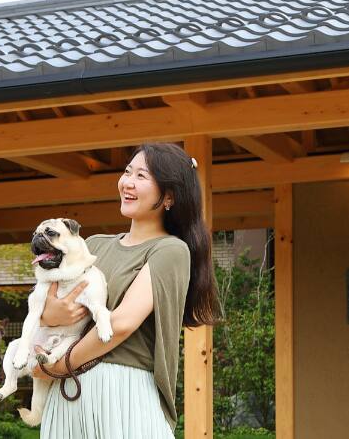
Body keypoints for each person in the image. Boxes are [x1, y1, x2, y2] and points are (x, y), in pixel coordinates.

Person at [30, 142, 222, 438]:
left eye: (141, 176)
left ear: (169, 196)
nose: (127, 182)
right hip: (68, 396)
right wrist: (49, 317)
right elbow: (46, 304)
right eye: (127, 172)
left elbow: (120, 324)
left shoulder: (170, 250)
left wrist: (59, 365)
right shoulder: (93, 245)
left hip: (123, 394)